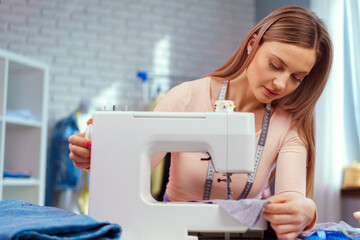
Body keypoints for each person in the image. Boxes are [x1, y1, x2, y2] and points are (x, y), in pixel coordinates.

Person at [68, 6, 333, 239]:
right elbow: (130, 171)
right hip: (170, 230)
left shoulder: (289, 124)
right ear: (253, 43)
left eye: (297, 77)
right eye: (275, 65)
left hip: (244, 234)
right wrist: (97, 159)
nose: (281, 84)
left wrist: (305, 210)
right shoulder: (185, 97)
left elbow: (292, 197)